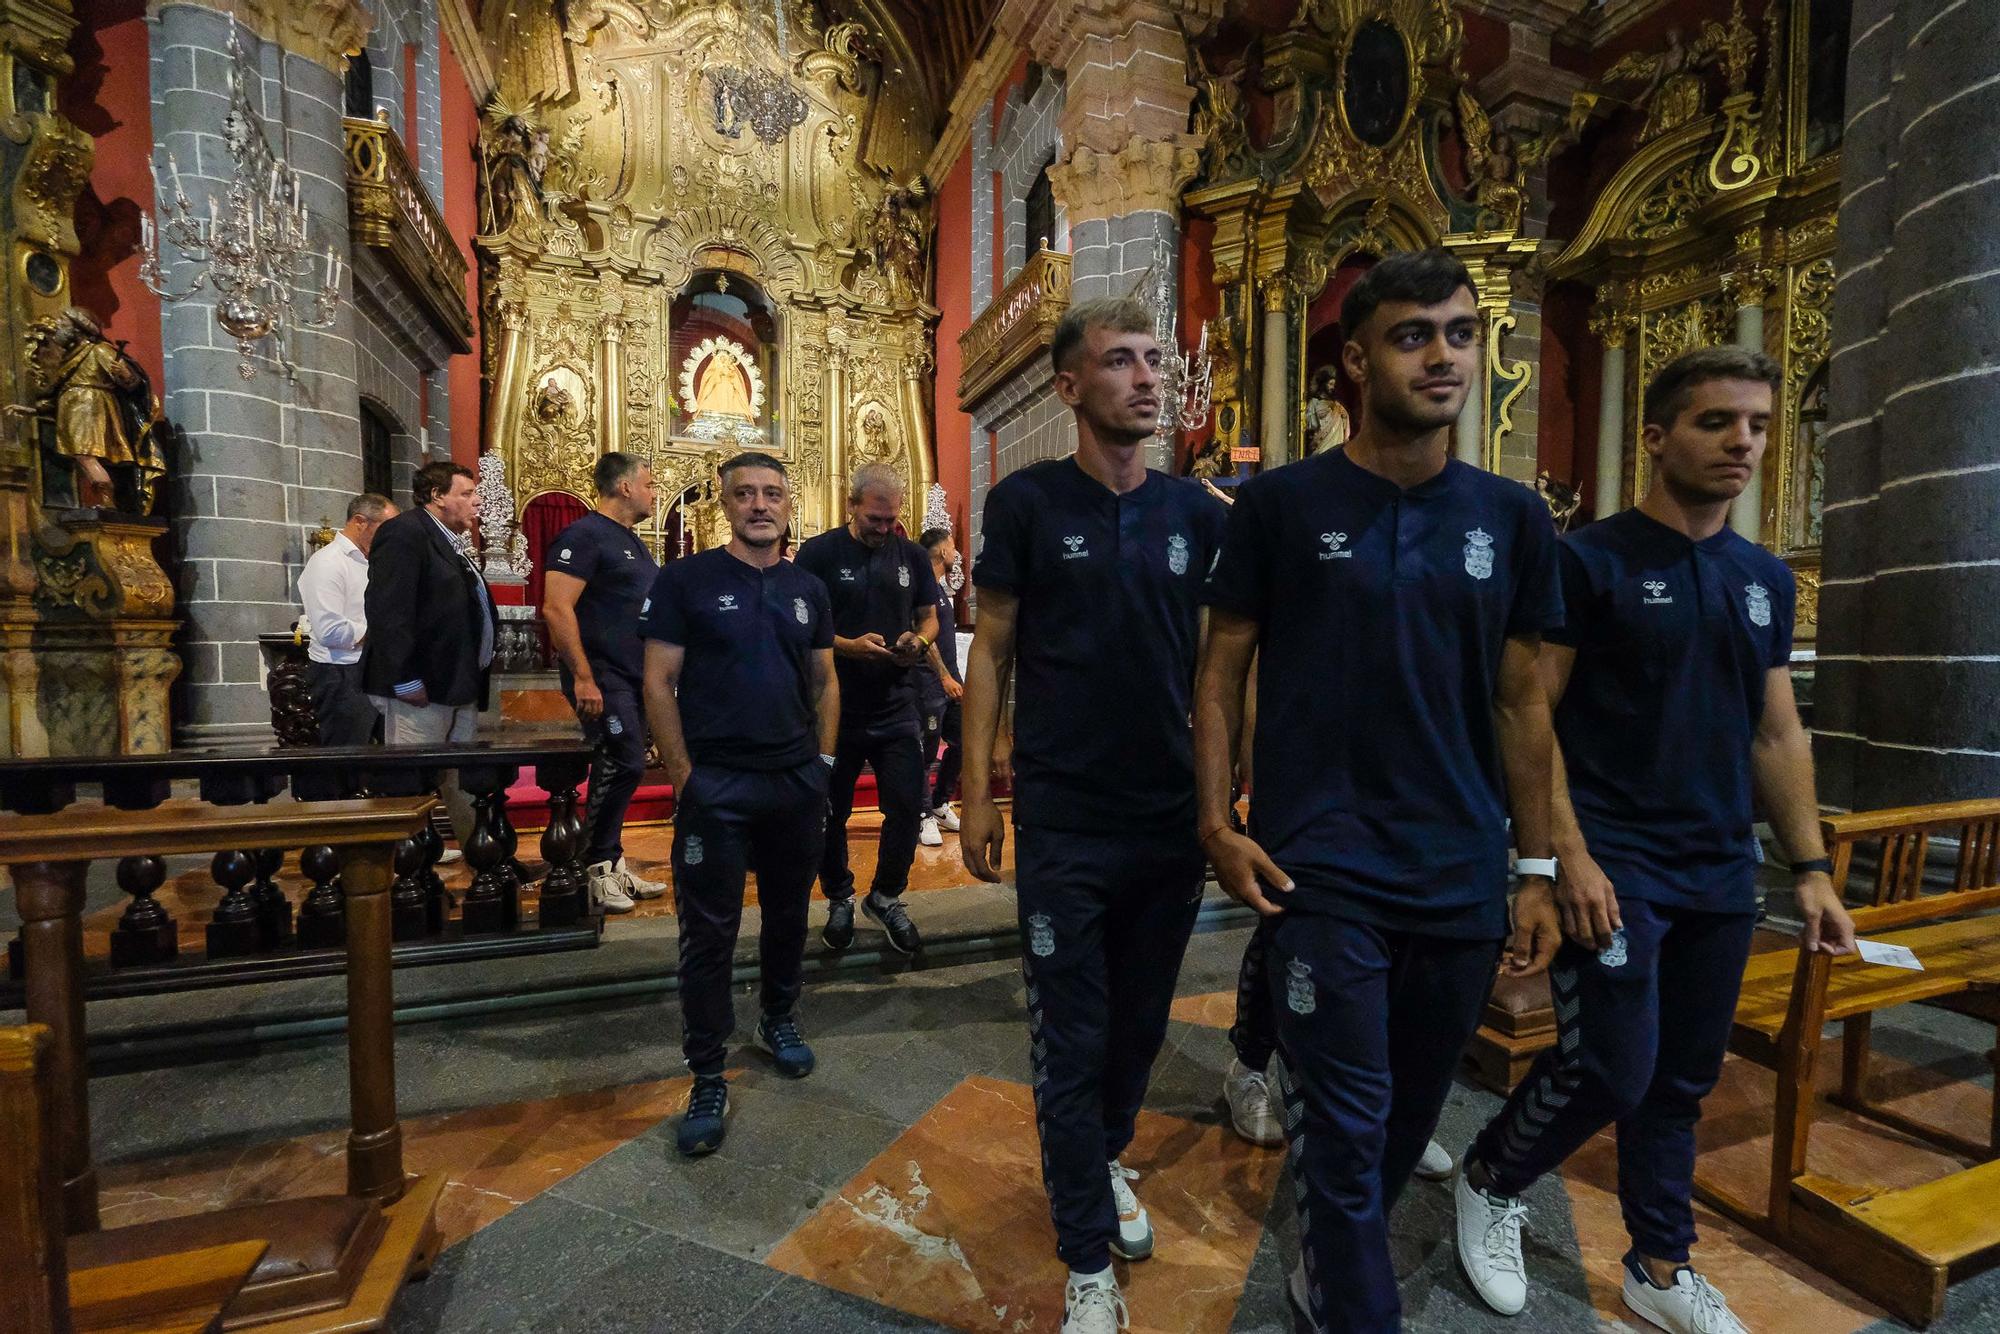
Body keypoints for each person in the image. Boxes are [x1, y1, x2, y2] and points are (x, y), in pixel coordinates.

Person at [1194, 248, 1564, 1333]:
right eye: (1412, 335)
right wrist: (1217, 819)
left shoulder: (1509, 516)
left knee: (1405, 1113)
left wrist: (1535, 863)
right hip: (1326, 864)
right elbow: (1218, 672)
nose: (1442, 355)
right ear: (1354, 360)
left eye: (1457, 332)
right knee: (1347, 1125)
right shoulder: (1278, 503)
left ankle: (1330, 1250)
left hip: (1455, 865)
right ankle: (1351, 1300)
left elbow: (1522, 706)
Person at [1452, 348, 1856, 1334]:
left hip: (1718, 866)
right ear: (1656, 435)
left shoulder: (1759, 578)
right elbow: (1532, 714)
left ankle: (1658, 1264)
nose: (1742, 443)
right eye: (1716, 421)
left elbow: (1775, 731)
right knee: (1608, 1067)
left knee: (1679, 1077)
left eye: (1756, 424)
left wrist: (1808, 866)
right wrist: (1564, 855)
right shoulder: (1587, 560)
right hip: (1614, 859)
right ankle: (1489, 1177)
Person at [961, 296, 1226, 1334]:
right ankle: (1082, 1258)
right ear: (1071, 387)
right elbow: (990, 647)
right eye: (1121, 361)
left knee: (1138, 1029)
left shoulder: (1197, 515)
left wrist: (1220, 801)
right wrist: (978, 786)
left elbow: (1218, 669)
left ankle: (1104, 1153)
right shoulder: (1025, 503)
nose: (1148, 377)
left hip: (1166, 818)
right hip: (1065, 818)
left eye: (1154, 359)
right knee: (1068, 1039)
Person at [639, 451, 839, 1157]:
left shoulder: (808, 587)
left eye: (773, 493)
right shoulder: (685, 580)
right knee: (709, 932)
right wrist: (685, 775)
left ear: (790, 505)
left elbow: (824, 678)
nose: (760, 504)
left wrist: (825, 760)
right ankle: (706, 1070)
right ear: (723, 504)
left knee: (789, 913)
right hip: (716, 784)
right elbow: (658, 681)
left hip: (792, 780)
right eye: (746, 494)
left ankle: (778, 1018)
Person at [795, 462, 940, 956]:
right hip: (834, 708)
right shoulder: (818, 554)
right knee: (828, 810)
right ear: (851, 506)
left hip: (897, 703)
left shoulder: (912, 555)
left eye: (891, 520)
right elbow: (799, 628)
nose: (884, 529)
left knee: (905, 805)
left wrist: (917, 642)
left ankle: (887, 895)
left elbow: (929, 619)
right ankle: (839, 896)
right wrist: (847, 646)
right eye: (875, 519)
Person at [543, 452, 663, 915]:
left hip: (630, 674)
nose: (654, 492)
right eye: (649, 484)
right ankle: (593, 868)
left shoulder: (628, 540)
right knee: (622, 763)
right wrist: (584, 677)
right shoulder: (584, 534)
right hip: (602, 675)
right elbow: (557, 608)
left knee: (629, 764)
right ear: (625, 486)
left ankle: (611, 861)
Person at [362, 461, 497, 844]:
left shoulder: (448, 540)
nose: (477, 502)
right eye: (467, 494)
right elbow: (389, 611)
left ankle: (484, 858)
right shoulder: (404, 533)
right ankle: (405, 873)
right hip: (421, 689)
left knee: (461, 780)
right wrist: (404, 678)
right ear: (437, 496)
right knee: (410, 781)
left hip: (456, 683)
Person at [298, 493, 397, 752]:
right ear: (359, 521)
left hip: (374, 668)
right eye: (386, 527)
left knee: (388, 757)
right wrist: (387, 633)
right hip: (342, 675)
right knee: (347, 756)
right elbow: (331, 631)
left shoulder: (371, 561)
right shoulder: (327, 562)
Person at [916, 526, 965, 847]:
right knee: (926, 751)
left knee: (964, 741)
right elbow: (926, 640)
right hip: (930, 683)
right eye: (952, 547)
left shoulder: (941, 589)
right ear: (941, 552)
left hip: (951, 680)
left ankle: (938, 801)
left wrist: (955, 677)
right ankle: (921, 816)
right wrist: (944, 677)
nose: (956, 553)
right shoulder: (923, 591)